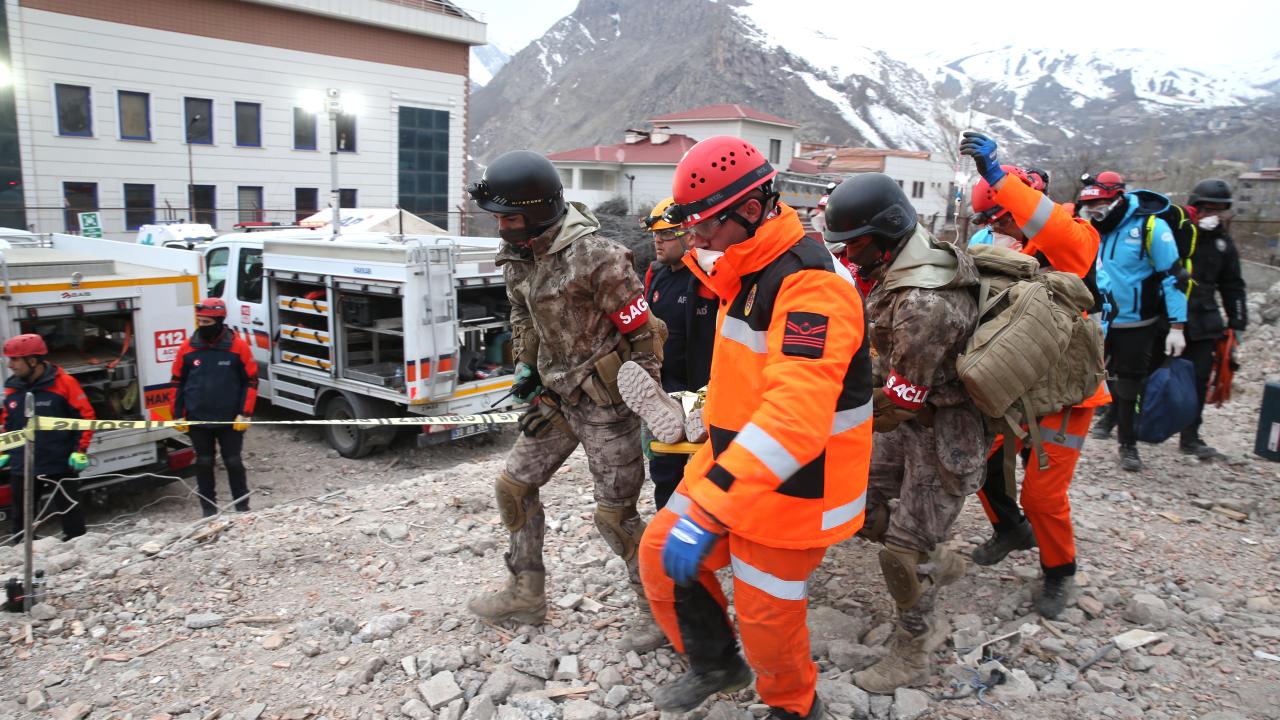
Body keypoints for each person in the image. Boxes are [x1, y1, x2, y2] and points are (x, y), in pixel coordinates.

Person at [636, 136, 873, 719]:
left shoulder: (812, 287)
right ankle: (717, 664)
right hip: (733, 462)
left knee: (768, 615)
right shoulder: (745, 262)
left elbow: (795, 419)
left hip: (797, 485)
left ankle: (795, 706)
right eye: (689, 226)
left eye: (704, 225)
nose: (695, 238)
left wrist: (713, 506)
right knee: (660, 554)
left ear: (749, 209)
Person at [465, 150, 667, 653]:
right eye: (498, 218)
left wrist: (649, 400)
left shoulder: (599, 258)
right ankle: (525, 593)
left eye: (509, 218)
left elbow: (645, 334)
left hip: (607, 406)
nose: (501, 227)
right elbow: (521, 313)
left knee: (616, 518)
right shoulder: (519, 254)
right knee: (513, 488)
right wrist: (525, 365)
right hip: (556, 399)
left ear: (536, 212)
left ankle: (662, 612)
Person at [824, 171, 981, 693]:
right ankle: (938, 556)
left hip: (943, 430)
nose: (847, 253)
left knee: (901, 552)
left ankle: (914, 646)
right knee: (856, 507)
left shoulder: (923, 302)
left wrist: (825, 419)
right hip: (908, 419)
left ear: (886, 233)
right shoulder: (897, 268)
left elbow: (900, 398)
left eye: (855, 243)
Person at [960, 133, 1106, 618]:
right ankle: (1011, 530)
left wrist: (1000, 180)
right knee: (976, 462)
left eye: (1000, 218)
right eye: (989, 221)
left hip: (1067, 391)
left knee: (1042, 495)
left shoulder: (1073, 242)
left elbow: (1055, 230)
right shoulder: (1003, 255)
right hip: (1017, 386)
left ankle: (1060, 571)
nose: (995, 229)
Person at [1077, 171, 1187, 471]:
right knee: (1090, 377)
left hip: (1135, 321)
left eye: (1099, 204)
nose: (1094, 210)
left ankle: (1128, 444)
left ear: (1118, 198)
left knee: (1128, 383)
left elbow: (1174, 277)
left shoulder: (1151, 228)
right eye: (1089, 205)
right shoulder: (1090, 227)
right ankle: (1093, 425)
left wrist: (1178, 325)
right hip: (1097, 319)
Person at [630, 197, 716, 508]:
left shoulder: (709, 277)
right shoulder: (656, 275)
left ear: (690, 236)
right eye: (656, 235)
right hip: (665, 389)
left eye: (666, 234)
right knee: (665, 470)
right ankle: (667, 523)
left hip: (703, 389)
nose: (658, 241)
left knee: (707, 471)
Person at [1, 333, 94, 541]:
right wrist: (4, 450)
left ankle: (77, 550)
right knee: (21, 522)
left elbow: (85, 418)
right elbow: (8, 422)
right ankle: (26, 551)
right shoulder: (13, 387)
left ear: (32, 361)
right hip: (22, 465)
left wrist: (80, 451)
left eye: (14, 359)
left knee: (72, 516)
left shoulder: (64, 384)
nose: (10, 365)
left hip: (59, 462)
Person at [170, 298, 257, 517]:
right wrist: (177, 414)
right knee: (204, 462)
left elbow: (251, 381)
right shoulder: (187, 348)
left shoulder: (238, 347)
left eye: (206, 322)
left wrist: (245, 413)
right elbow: (177, 382)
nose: (202, 325)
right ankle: (208, 511)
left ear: (219, 321)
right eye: (199, 321)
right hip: (198, 418)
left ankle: (242, 509)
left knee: (233, 462)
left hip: (230, 419)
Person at [1179, 179, 1247, 459]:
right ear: (1195, 208)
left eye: (1219, 211)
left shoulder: (1224, 244)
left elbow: (1233, 286)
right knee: (1146, 374)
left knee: (1199, 379)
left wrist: (1237, 323)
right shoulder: (1178, 234)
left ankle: (1190, 436)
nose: (1213, 216)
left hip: (1204, 321)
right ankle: (1125, 426)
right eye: (1208, 210)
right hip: (1167, 317)